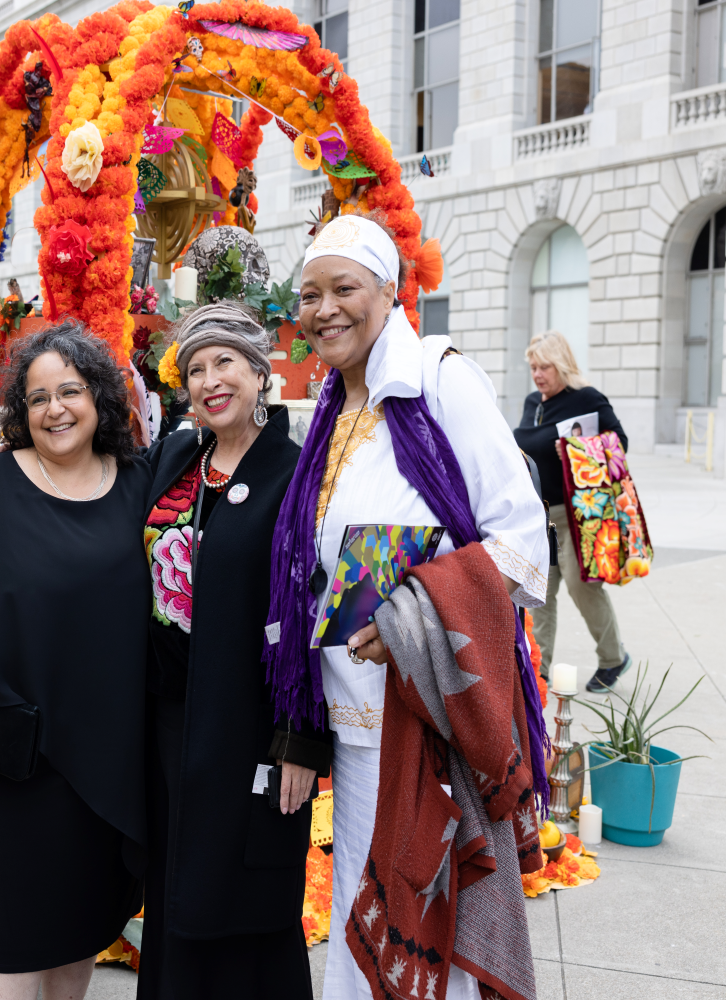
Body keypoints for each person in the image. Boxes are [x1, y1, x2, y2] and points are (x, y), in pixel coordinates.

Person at [262, 214, 551, 1000]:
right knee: (373, 925)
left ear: (391, 292)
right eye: (310, 294)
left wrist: (410, 621)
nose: (324, 309)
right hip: (353, 727)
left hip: (427, 717)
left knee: (436, 933)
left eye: (344, 289)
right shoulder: (330, 408)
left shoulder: (438, 379)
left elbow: (524, 546)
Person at [0, 323, 149, 1000]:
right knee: (10, 929)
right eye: (37, 397)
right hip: (11, 757)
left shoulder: (139, 482)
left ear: (100, 399)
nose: (55, 409)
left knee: (78, 925)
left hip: (106, 761)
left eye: (70, 391)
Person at [137, 304, 328, 999]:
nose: (210, 380)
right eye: (195, 368)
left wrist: (302, 740)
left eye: (225, 363)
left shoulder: (295, 471)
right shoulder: (177, 457)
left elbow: (312, 608)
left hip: (248, 724)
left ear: (259, 371)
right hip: (167, 724)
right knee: (175, 888)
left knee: (245, 897)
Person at [513, 331, 632, 693]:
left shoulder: (586, 398)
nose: (537, 374)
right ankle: (539, 669)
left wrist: (582, 450)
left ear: (562, 364)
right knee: (538, 594)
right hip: (537, 516)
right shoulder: (534, 402)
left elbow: (620, 445)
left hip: (576, 515)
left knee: (583, 589)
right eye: (533, 367)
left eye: (544, 366)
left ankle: (613, 658)